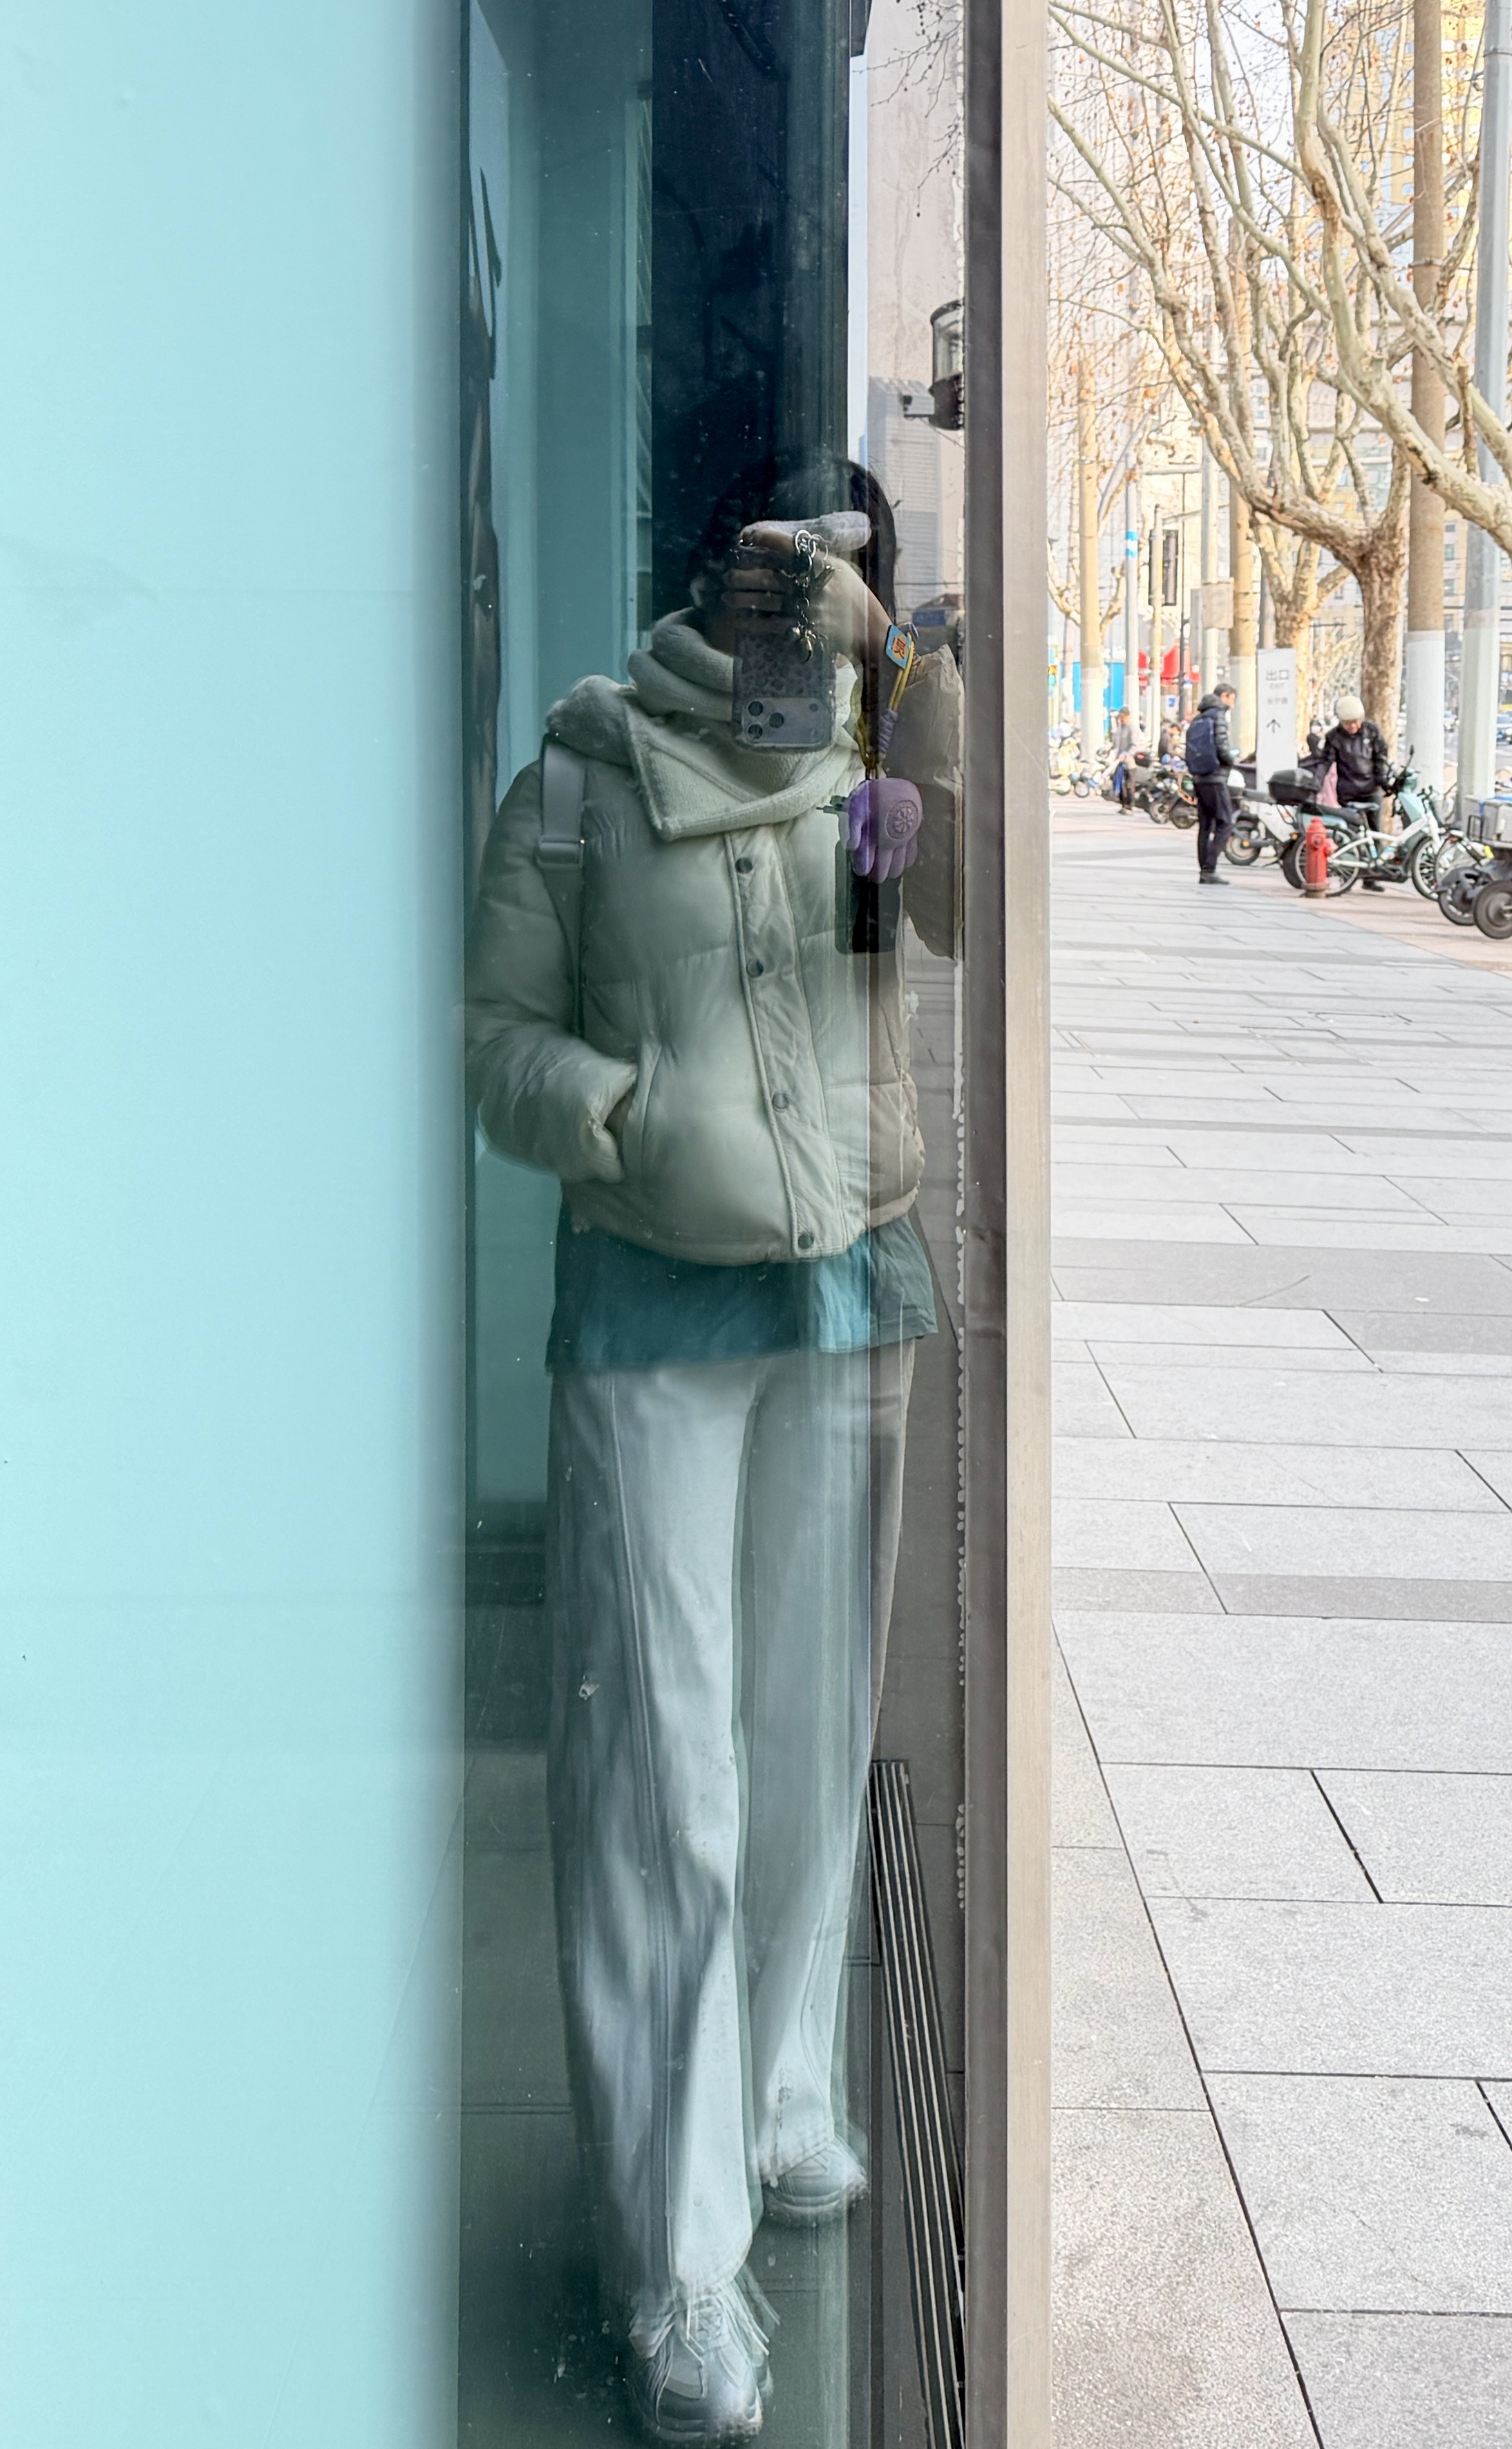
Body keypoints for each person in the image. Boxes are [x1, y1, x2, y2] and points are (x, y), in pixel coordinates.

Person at [466, 472, 961, 2443]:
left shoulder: (868, 773)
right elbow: (493, 1036)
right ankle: (678, 2265)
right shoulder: (581, 776)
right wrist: (626, 1115)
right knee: (663, 1771)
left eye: (838, 574)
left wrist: (900, 677)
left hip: (848, 1284)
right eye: (779, 565)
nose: (799, 596)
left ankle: (780, 2088)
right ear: (705, 568)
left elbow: (961, 910)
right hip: (651, 1305)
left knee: (805, 1731)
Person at [1314, 695, 1391, 889]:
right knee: (1351, 834)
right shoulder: (1334, 737)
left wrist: (1384, 781)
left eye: (1356, 722)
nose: (1353, 726)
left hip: (1371, 790)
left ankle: (1371, 877)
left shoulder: (1372, 731)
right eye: (1348, 723)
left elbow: (1380, 758)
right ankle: (1347, 873)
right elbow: (1325, 763)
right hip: (1348, 791)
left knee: (1374, 832)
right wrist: (1316, 784)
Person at [1182, 679, 1240, 883]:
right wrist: (1232, 761)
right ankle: (1210, 868)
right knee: (1225, 823)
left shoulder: (1199, 718)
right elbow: (1222, 747)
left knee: (1205, 825)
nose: (1232, 704)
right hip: (1216, 777)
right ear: (1224, 696)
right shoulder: (1218, 715)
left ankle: (1205, 870)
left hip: (1199, 777)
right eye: (1232, 699)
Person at [1111, 706, 1136, 810]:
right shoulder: (1120, 727)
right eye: (1120, 717)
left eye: (1122, 717)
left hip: (1129, 761)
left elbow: (1134, 745)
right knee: (1118, 781)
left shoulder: (1132, 728)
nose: (1121, 719)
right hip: (1119, 760)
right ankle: (1123, 803)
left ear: (1127, 716)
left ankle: (1130, 805)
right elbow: (1117, 743)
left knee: (1129, 784)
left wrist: (1127, 754)